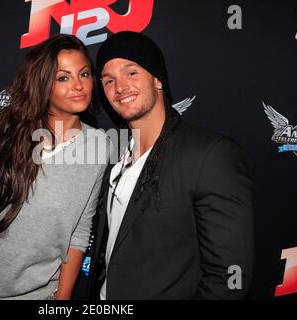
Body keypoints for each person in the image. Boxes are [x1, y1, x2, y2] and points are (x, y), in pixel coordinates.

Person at [0, 34, 109, 300]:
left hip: (34, 295)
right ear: (43, 84)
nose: (78, 85)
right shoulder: (7, 125)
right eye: (63, 77)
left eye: (84, 74)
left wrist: (61, 301)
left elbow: (80, 230)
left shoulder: (99, 146)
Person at [87, 31, 254, 299]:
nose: (119, 87)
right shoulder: (113, 155)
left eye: (131, 73)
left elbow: (227, 278)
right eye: (108, 80)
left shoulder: (210, 154)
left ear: (157, 79)